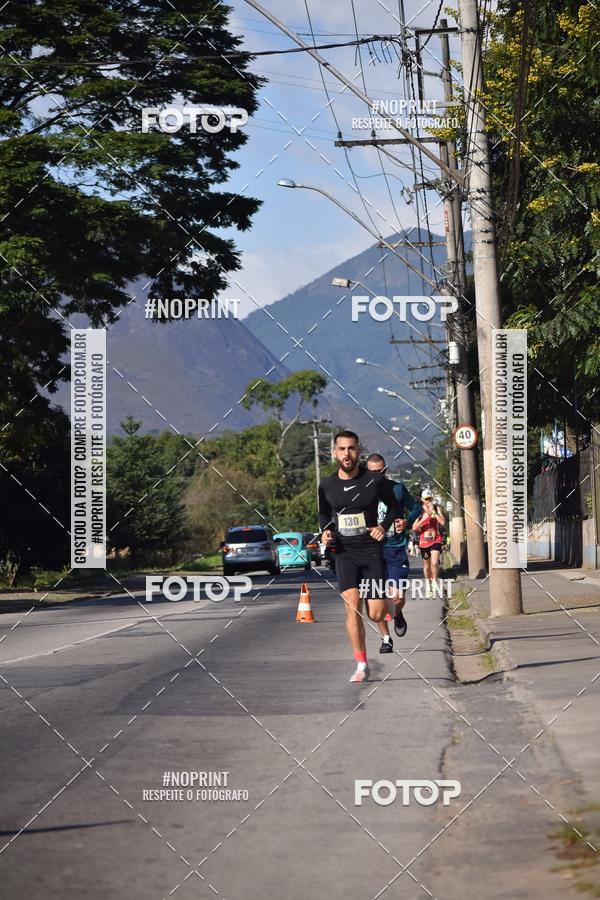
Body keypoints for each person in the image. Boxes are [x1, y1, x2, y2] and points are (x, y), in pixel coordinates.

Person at [318, 431, 403, 683]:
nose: (347, 454)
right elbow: (324, 514)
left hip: (371, 550)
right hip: (344, 552)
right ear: (334, 452)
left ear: (358, 451)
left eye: (351, 448)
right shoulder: (327, 484)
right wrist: (326, 531)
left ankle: (392, 609)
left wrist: (383, 527)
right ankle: (361, 663)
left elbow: (394, 506)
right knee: (352, 606)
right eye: (342, 449)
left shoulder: (373, 480)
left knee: (376, 614)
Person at [365, 454, 420, 652]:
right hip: (372, 551)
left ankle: (397, 613)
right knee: (377, 598)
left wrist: (406, 521)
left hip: (395, 548)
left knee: (396, 597)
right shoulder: (359, 492)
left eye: (380, 472)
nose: (376, 476)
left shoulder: (397, 489)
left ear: (385, 470)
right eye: (372, 473)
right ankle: (386, 638)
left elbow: (416, 508)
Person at [413, 489, 446, 597]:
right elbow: (414, 527)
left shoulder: (436, 508)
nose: (428, 501)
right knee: (427, 566)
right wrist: (424, 520)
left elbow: (442, 522)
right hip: (424, 543)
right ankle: (428, 584)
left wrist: (434, 512)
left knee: (435, 562)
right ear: (422, 500)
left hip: (436, 540)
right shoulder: (419, 511)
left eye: (430, 499)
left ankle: (435, 582)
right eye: (426, 499)